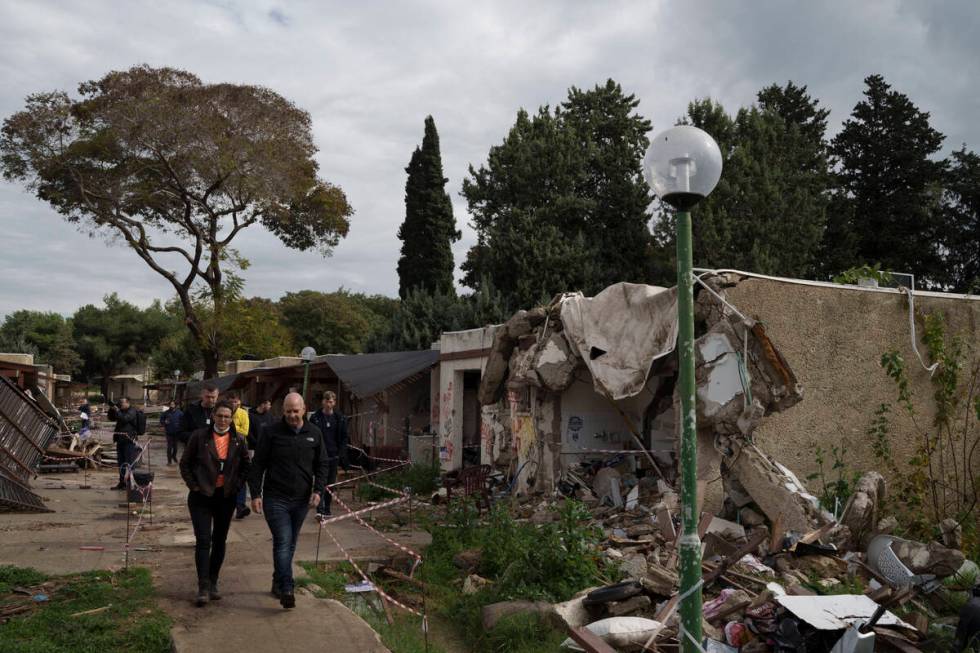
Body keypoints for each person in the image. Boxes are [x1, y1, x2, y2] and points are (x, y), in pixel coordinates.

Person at [249, 393, 329, 609]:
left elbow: (322, 465)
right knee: (283, 541)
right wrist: (256, 494)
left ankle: (277, 581)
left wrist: (318, 491)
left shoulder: (314, 433)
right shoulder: (271, 432)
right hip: (276, 498)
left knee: (290, 543)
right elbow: (257, 465)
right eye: (288, 411)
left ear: (304, 409)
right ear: (282, 411)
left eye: (296, 411)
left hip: (301, 500)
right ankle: (287, 587)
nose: (292, 415)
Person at [179, 400, 250, 607]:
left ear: (232, 417)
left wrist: (236, 486)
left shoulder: (238, 439)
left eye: (227, 416)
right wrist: (194, 486)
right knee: (203, 540)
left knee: (220, 540)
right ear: (214, 416)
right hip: (201, 496)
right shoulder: (199, 437)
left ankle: (213, 582)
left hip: (225, 498)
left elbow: (246, 465)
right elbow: (185, 464)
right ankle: (202, 586)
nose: (223, 419)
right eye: (219, 415)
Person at [309, 391, 349, 518]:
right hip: (319, 455)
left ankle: (327, 507)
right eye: (326, 401)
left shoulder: (340, 418)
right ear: (323, 402)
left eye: (331, 401)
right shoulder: (315, 418)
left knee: (330, 483)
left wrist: (341, 454)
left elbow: (344, 438)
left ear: (334, 403)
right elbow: (311, 435)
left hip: (333, 455)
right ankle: (319, 509)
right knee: (320, 482)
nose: (328, 404)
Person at [225, 391, 251, 519]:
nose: (233, 404)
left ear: (239, 402)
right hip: (224, 448)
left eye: (235, 401)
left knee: (241, 476)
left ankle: (240, 506)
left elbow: (245, 431)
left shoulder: (243, 413)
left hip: (240, 449)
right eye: (231, 401)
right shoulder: (223, 412)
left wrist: (231, 428)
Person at [107, 397, 140, 490]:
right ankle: (122, 483)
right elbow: (111, 418)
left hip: (129, 441)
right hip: (120, 441)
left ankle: (130, 483)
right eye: (119, 402)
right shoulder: (120, 411)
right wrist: (112, 408)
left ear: (128, 403)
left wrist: (117, 410)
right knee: (121, 463)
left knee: (129, 464)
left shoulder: (132, 411)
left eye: (122, 402)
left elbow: (125, 419)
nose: (120, 404)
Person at [160, 400, 184, 465]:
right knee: (169, 447)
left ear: (175, 405)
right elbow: (161, 420)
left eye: (173, 404)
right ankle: (169, 461)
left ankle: (174, 456)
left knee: (175, 447)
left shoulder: (180, 413)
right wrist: (164, 422)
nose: (171, 405)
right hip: (169, 432)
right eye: (170, 404)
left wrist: (181, 428)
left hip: (177, 432)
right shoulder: (166, 413)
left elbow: (183, 421)